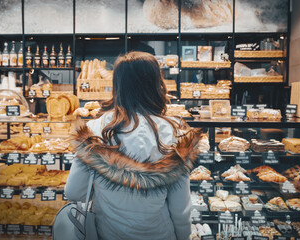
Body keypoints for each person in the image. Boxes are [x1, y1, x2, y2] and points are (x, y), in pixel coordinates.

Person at [65, 51, 203, 240]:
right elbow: (180, 209)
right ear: (157, 84)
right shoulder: (176, 133)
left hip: (107, 234)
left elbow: (73, 191)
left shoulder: (94, 129)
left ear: (117, 86)